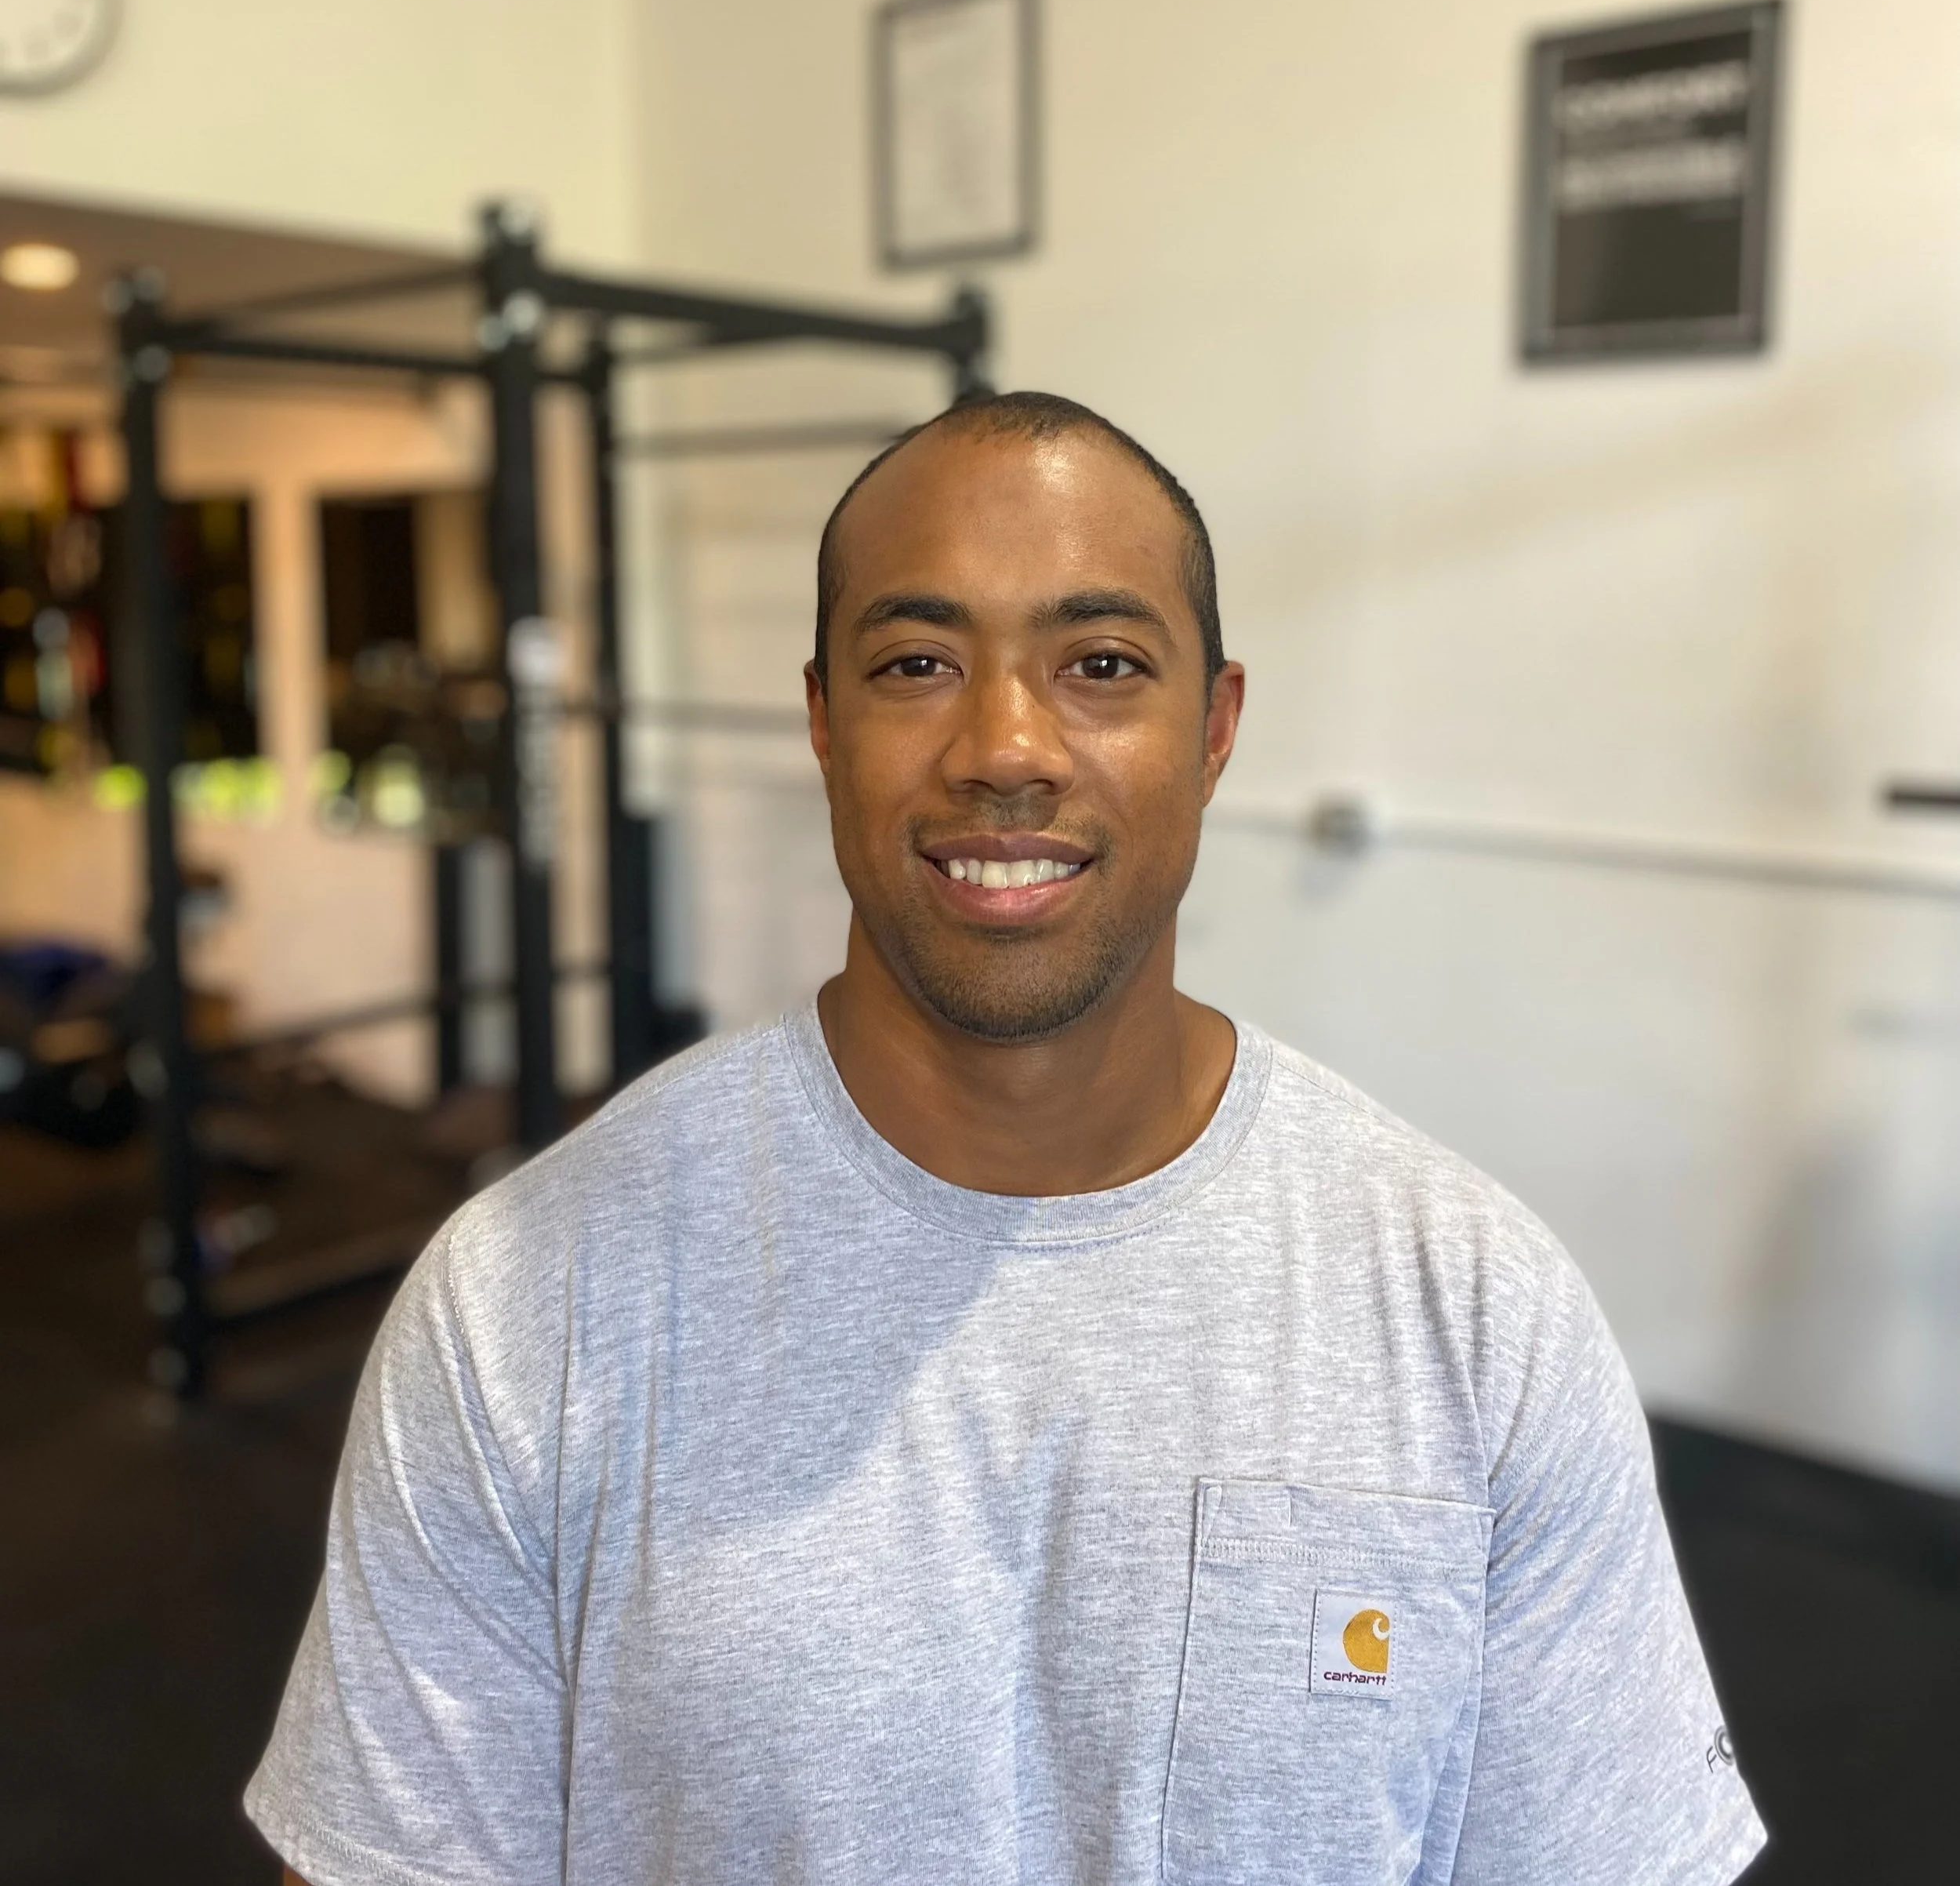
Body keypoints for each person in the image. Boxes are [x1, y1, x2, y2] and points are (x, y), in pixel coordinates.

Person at [249, 391, 1766, 1886]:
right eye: (918, 662)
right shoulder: (527, 1303)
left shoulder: (1473, 1309)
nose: (1006, 744)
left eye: (1101, 663)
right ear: (825, 724)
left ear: (1216, 729)